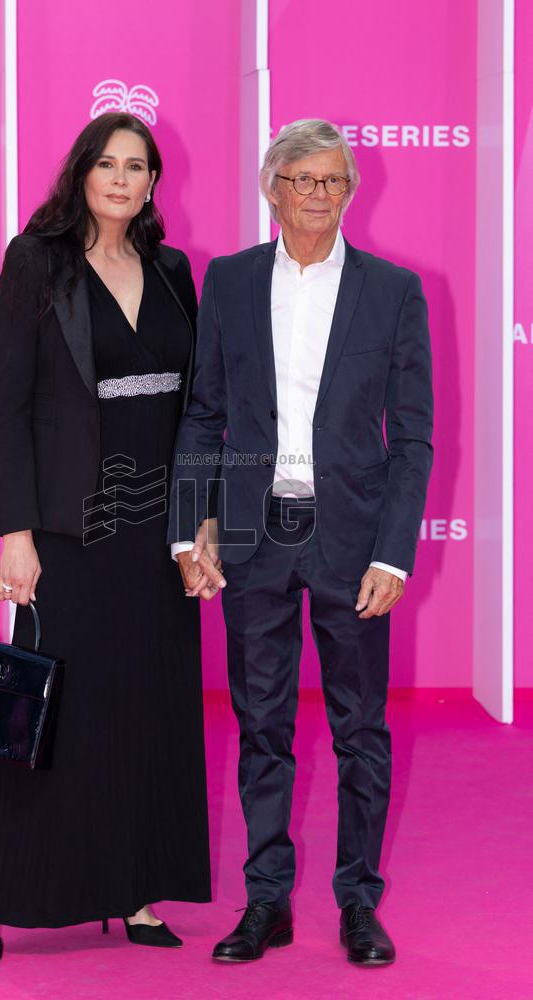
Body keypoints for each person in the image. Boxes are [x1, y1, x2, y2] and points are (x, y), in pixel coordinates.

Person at [167, 118, 433, 966]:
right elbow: (204, 414)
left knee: (361, 729)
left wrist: (393, 554)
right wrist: (190, 526)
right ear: (271, 188)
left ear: (350, 191)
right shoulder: (233, 282)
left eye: (334, 180)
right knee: (261, 727)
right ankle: (267, 902)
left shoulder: (394, 290)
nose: (320, 194)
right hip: (253, 537)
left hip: (353, 541)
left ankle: (358, 902)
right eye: (304, 179)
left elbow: (416, 436)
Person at [0, 112, 211, 969]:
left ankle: (135, 888)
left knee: (147, 710)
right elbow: (12, 404)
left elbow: (196, 411)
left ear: (152, 182)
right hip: (70, 530)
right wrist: (16, 532)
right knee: (45, 716)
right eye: (106, 163)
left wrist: (201, 523)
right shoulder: (36, 262)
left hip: (156, 533)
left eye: (136, 166)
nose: (120, 178)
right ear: (81, 172)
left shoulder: (173, 270)